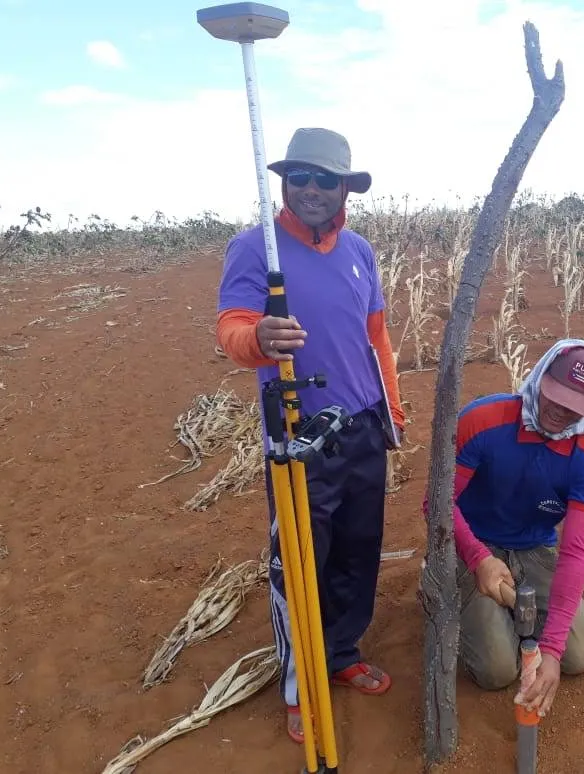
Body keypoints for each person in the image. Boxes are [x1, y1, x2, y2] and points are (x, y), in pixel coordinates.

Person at [216, 127, 404, 744]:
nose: (314, 190)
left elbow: (375, 339)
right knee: (298, 561)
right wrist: (258, 340)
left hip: (364, 430)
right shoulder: (256, 250)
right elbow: (233, 326)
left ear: (346, 187)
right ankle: (301, 683)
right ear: (284, 181)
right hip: (298, 437)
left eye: (328, 179)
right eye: (302, 177)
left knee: (357, 549)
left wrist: (392, 414)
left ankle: (342, 651)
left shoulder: (361, 252)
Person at [428, 338, 584, 719]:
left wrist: (554, 653)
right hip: (471, 543)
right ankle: (439, 585)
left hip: (535, 546)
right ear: (540, 376)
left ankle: (512, 613)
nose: (560, 412)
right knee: (496, 671)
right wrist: (479, 559)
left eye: (574, 406)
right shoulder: (482, 420)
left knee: (577, 656)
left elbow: (576, 552)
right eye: (555, 395)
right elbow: (436, 503)